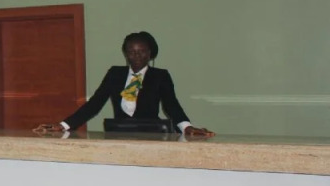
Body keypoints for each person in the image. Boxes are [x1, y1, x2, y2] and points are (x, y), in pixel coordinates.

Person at [35, 31, 214, 138]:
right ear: (126, 54)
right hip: (119, 135)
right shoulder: (115, 74)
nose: (136, 56)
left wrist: (187, 127)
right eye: (131, 52)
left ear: (150, 54)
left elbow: (171, 105)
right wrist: (64, 125)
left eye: (142, 51)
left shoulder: (160, 76)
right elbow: (94, 104)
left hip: (153, 137)